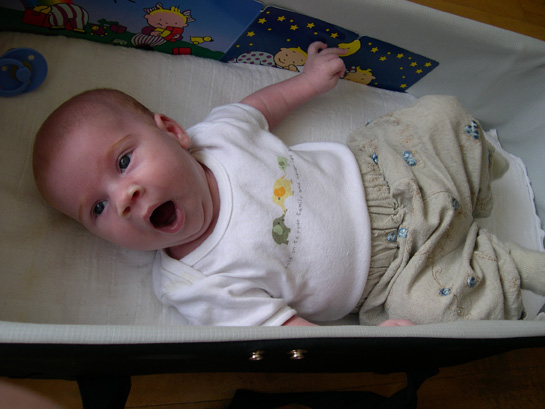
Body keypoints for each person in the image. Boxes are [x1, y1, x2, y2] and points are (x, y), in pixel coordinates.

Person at [32, 42, 545, 327]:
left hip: (386, 171)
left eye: (124, 161)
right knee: (437, 316)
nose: (123, 199)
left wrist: (309, 81)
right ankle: (506, 262)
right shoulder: (193, 284)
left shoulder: (217, 137)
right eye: (96, 208)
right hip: (391, 278)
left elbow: (260, 108)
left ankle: (477, 187)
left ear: (171, 131)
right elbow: (286, 332)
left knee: (439, 113)